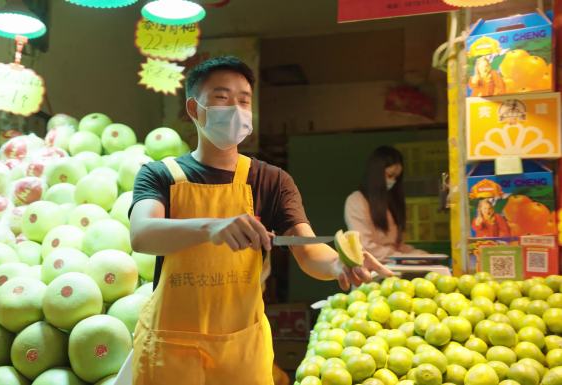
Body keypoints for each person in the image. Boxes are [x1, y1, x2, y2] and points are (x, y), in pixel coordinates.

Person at [128, 56, 392, 385]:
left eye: (244, 100)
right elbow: (142, 234)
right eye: (222, 98)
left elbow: (308, 251)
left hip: (242, 348)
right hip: (171, 347)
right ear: (195, 110)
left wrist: (339, 266)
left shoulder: (271, 180)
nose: (235, 108)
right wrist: (212, 227)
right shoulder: (160, 175)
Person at [344, 146, 426, 264]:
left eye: (396, 177)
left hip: (394, 270)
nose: (393, 181)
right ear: (376, 173)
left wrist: (417, 254)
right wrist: (404, 258)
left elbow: (396, 246)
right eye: (389, 175)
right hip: (372, 272)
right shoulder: (356, 201)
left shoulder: (391, 202)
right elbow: (366, 246)